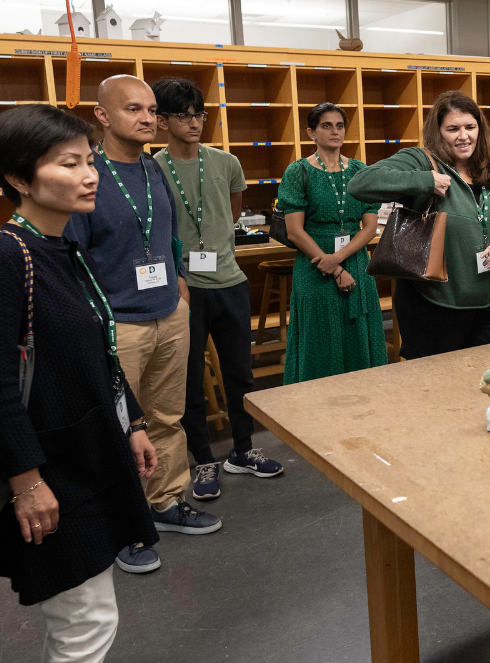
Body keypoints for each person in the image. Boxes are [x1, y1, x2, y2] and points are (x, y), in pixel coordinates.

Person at [0, 104, 160, 660]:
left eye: (89, 161)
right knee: (84, 622)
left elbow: (98, 352)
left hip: (88, 455)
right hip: (49, 470)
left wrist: (133, 422)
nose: (89, 175)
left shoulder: (64, 248)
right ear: (19, 178)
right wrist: (27, 482)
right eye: (69, 164)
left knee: (86, 617)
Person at [65, 75, 219, 575]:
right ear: (103, 116)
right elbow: (75, 256)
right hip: (117, 322)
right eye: (134, 109)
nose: (148, 118)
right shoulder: (88, 173)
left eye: (152, 110)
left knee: (166, 416)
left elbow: (168, 231)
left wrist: (177, 279)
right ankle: (121, 523)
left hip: (168, 314)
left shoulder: (154, 170)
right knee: (117, 428)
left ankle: (166, 501)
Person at [151, 77, 282, 502]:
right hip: (184, 287)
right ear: (163, 120)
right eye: (184, 116)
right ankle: (203, 458)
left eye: (199, 115)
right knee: (188, 378)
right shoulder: (152, 165)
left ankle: (242, 450)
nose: (194, 123)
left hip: (230, 281)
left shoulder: (226, 162)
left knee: (239, 373)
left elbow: (232, 212)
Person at [349, 91, 490, 358]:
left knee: (487, 382)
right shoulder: (422, 160)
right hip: (432, 304)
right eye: (452, 129)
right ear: (438, 132)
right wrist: (424, 180)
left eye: (470, 127)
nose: (463, 136)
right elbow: (360, 183)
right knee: (434, 389)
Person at [278, 102, 387, 384]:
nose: (335, 131)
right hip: (315, 264)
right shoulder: (297, 171)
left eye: (339, 126)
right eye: (326, 126)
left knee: (358, 333)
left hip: (356, 261)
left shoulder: (360, 170)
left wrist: (338, 259)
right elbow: (295, 232)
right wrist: (332, 267)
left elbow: (371, 227)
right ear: (311, 132)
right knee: (319, 336)